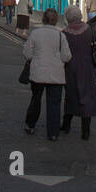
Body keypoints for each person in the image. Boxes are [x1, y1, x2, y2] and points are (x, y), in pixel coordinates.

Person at [22, 7, 71, 140]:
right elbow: (67, 56)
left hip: (38, 73)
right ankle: (53, 133)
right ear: (56, 20)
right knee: (54, 104)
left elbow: (27, 53)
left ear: (43, 19)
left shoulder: (36, 34)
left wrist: (35, 58)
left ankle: (30, 125)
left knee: (35, 100)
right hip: (56, 75)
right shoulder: (61, 36)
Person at [61, 4, 96, 140]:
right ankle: (86, 131)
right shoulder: (90, 30)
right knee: (87, 98)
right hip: (88, 68)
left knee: (71, 96)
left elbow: (60, 53)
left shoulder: (64, 33)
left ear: (68, 17)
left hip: (70, 69)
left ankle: (66, 126)